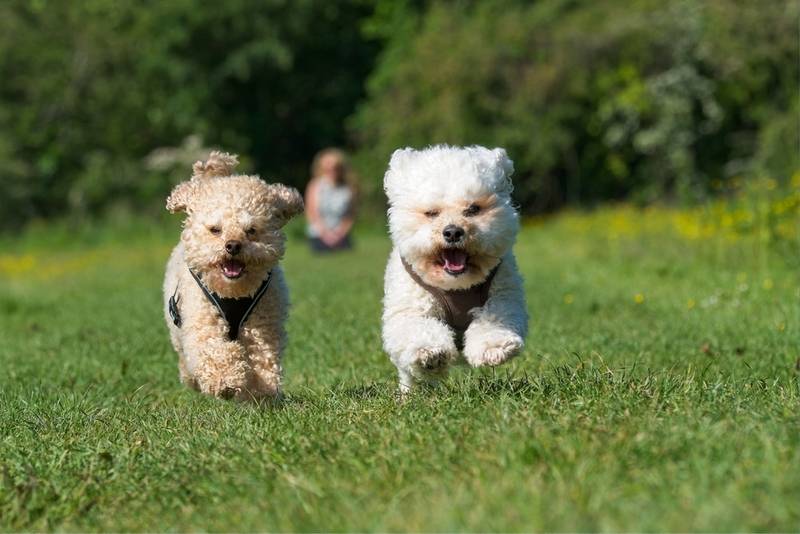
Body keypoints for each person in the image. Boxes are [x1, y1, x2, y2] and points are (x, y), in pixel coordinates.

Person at [304, 148, 357, 252]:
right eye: (328, 168)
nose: (332, 171)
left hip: (340, 234)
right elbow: (312, 213)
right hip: (319, 234)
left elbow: (350, 215)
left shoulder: (348, 189)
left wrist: (339, 234)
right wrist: (326, 235)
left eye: (335, 167)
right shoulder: (315, 186)